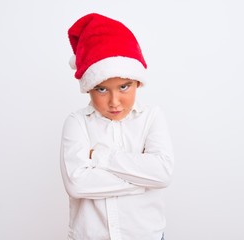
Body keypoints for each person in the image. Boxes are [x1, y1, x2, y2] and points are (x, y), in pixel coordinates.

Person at [60, 13, 174, 240]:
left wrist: (101, 157)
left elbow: (161, 173)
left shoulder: (151, 117)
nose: (114, 101)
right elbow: (77, 185)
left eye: (124, 87)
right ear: (88, 88)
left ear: (138, 82)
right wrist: (142, 181)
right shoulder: (77, 122)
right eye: (102, 89)